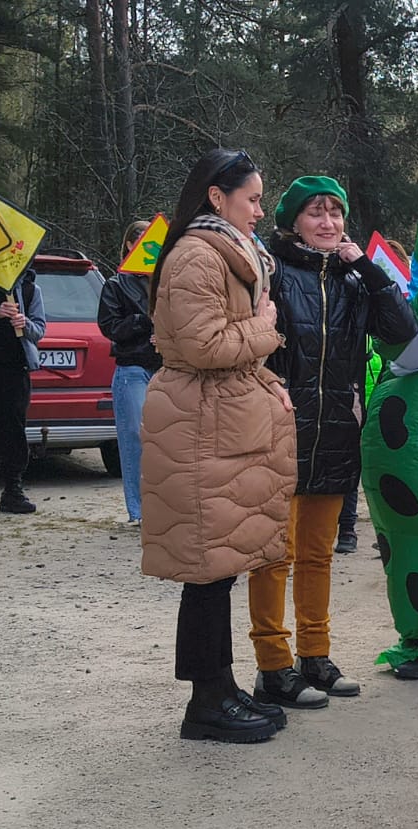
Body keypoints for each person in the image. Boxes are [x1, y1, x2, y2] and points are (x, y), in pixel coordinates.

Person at [139, 147, 296, 743]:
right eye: (251, 199)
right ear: (216, 196)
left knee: (218, 569)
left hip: (213, 420)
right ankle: (206, 702)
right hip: (198, 424)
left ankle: (220, 688)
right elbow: (204, 346)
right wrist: (266, 327)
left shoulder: (226, 252)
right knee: (206, 572)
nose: (258, 210)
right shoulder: (196, 256)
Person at [247, 175, 418, 707]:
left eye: (335, 212)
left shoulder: (352, 279)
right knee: (274, 554)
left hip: (337, 430)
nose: (327, 222)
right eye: (316, 213)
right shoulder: (270, 271)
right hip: (277, 428)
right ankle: (273, 665)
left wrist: (367, 268)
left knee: (318, 554)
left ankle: (315, 656)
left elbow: (402, 329)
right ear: (293, 222)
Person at [335, 234, 412, 556]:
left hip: (390, 397)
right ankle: (351, 528)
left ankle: (361, 529)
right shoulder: (356, 295)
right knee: (352, 463)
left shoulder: (407, 300)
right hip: (358, 395)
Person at [98, 219, 161, 525]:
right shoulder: (116, 285)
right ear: (129, 245)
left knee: (164, 440)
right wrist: (143, 323)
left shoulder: (168, 281)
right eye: (141, 240)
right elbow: (109, 326)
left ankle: (162, 508)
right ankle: (138, 510)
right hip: (132, 368)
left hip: (164, 368)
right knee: (134, 437)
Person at [0, 268, 46, 514]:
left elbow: (40, 329)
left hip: (14, 369)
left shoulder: (31, 289)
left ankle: (13, 490)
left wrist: (25, 324)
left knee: (12, 430)